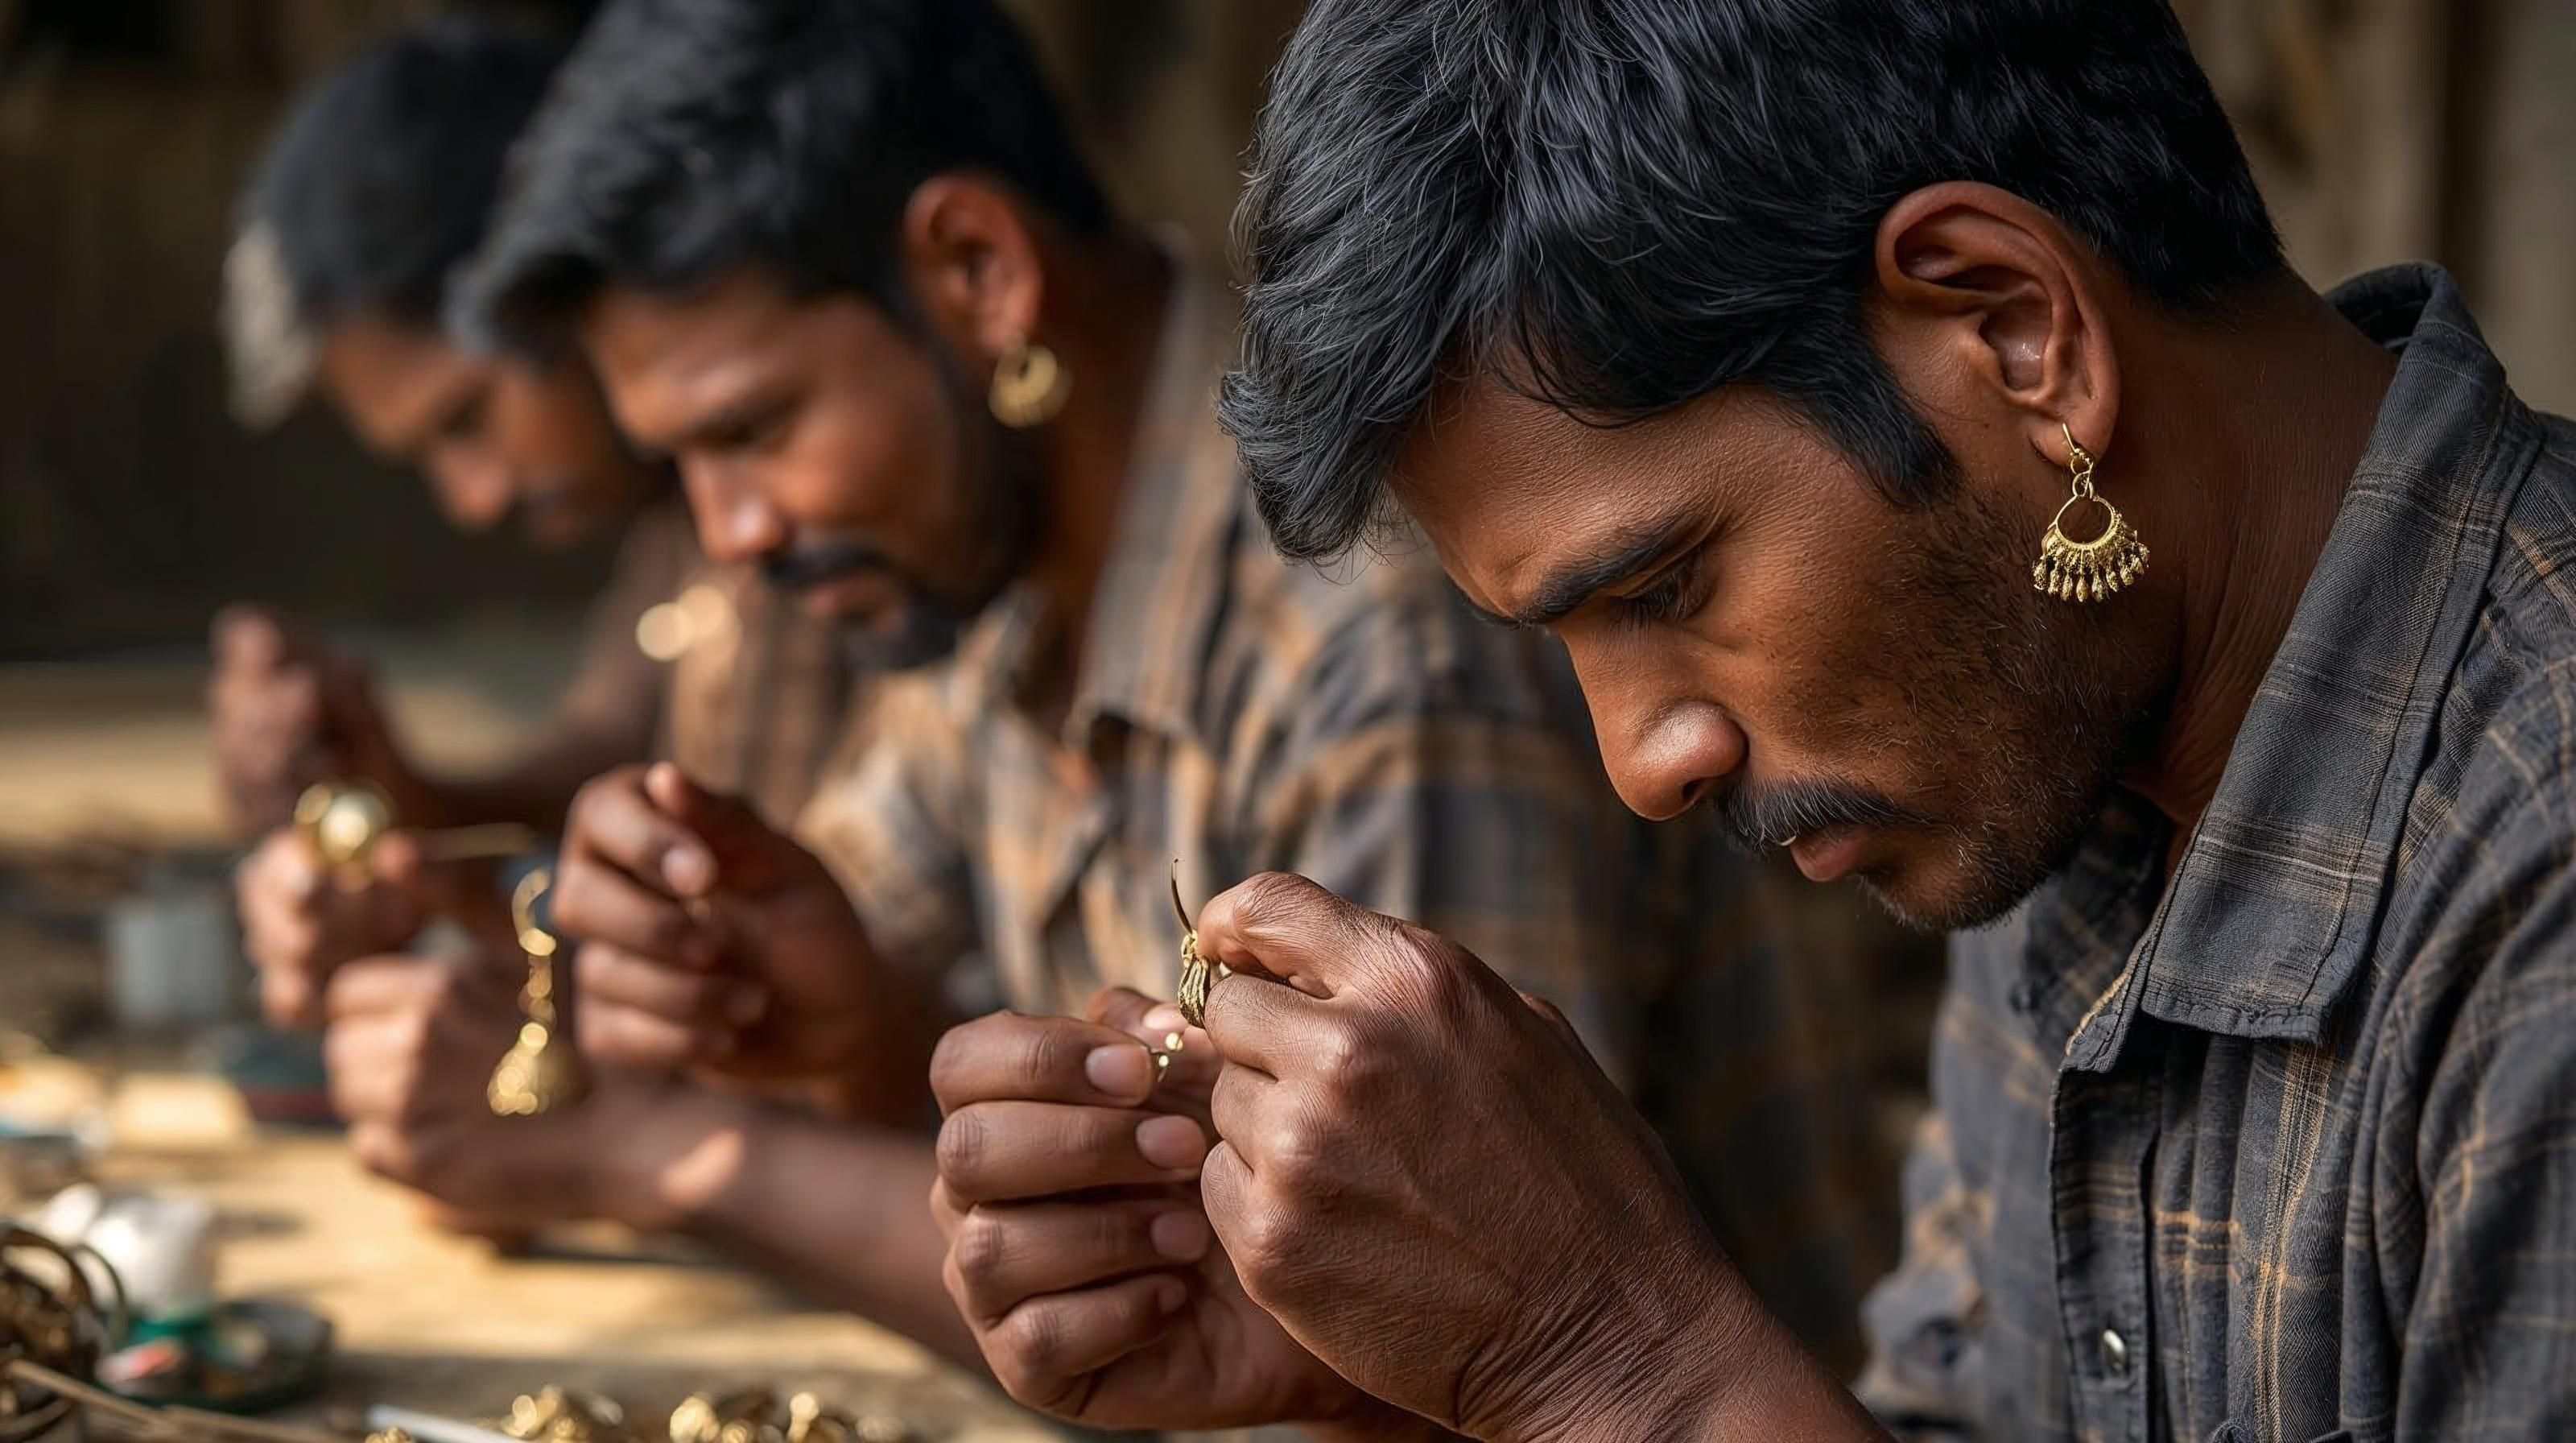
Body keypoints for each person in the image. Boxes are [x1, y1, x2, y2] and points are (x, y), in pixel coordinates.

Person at [928, 0, 2576, 1439]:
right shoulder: (2066, 730)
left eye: (1659, 586)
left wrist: (1615, 1364)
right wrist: (1409, 1392)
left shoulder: (2535, 869)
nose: (1645, 765)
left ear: (2013, 329)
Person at [386, 0, 1914, 1382]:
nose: (729, 533)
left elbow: (1455, 1317)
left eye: (758, 428)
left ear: (979, 277)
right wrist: (813, 1020)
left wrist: (662, 1148)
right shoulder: (985, 595)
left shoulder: (1377, 639)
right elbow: (869, 990)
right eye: (689, 468)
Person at [220, 19, 852, 1223]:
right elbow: (611, 754)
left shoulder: (814, 524)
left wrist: (609, 1113)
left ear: (546, 290)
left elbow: (855, 992)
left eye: (467, 421)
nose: (474, 500)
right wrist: (411, 804)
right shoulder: (684, 529)